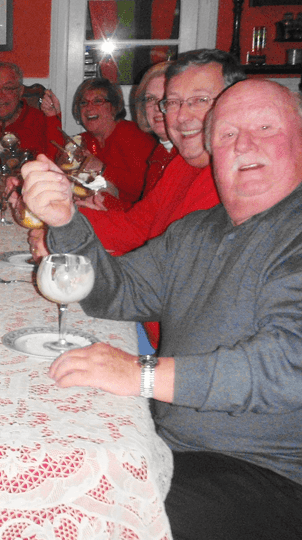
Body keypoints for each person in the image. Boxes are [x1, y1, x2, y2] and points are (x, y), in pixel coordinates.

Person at [20, 78, 302, 540]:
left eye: (266, 127)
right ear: (212, 148)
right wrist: (65, 221)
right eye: (228, 133)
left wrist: (142, 374)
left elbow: (290, 366)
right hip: (174, 445)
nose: (245, 143)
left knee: (82, 522)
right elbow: (116, 293)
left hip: (269, 475)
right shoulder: (195, 232)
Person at [24, 49, 243, 350]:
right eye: (174, 102)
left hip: (172, 351)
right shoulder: (184, 165)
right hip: (145, 326)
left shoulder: (239, 185)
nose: (180, 115)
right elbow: (136, 225)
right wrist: (59, 223)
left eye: (200, 100)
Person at [53, 77, 156, 207]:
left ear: (113, 107)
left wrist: (102, 169)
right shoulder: (86, 139)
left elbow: (144, 188)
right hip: (101, 209)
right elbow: (55, 160)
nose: (89, 108)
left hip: (133, 213)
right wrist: (53, 117)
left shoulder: (129, 134)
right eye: (83, 103)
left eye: (97, 101)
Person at [0, 61, 65, 163]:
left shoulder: (40, 121)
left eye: (7, 88)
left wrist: (53, 119)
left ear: (20, 91)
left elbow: (58, 162)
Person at [131, 62, 176, 196]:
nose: (157, 107)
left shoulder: (192, 157)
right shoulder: (160, 152)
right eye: (150, 99)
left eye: (166, 99)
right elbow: (148, 213)